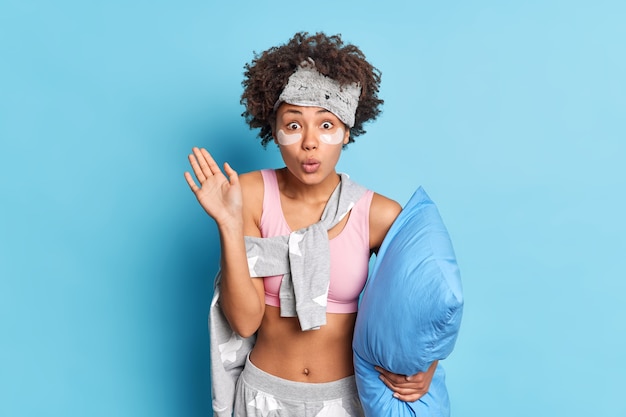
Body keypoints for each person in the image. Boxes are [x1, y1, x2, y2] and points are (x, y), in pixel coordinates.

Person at [185, 32, 437, 417]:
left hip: (346, 400)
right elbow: (244, 320)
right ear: (274, 131)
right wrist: (227, 223)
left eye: (326, 125)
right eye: (293, 125)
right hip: (264, 397)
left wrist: (427, 366)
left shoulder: (378, 214)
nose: (309, 143)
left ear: (347, 131)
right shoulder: (248, 194)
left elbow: (425, 306)